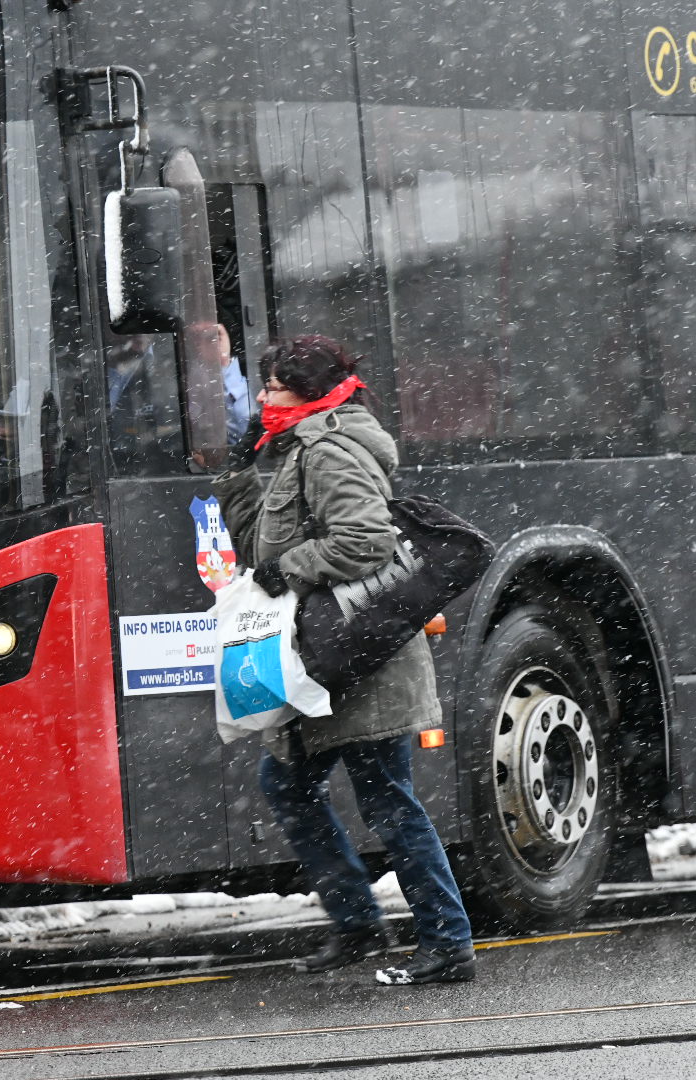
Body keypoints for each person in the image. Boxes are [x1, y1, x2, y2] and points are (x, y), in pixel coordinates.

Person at [212, 335, 475, 986]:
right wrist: (236, 472)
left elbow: (364, 541)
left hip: (362, 660)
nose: (265, 398)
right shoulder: (300, 447)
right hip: (327, 662)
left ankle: (446, 942)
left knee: (388, 800)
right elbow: (256, 548)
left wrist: (289, 570)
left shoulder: (330, 450)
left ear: (304, 390)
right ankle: (357, 921)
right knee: (291, 784)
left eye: (272, 387)